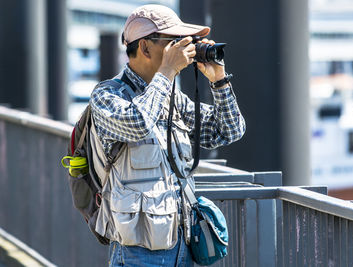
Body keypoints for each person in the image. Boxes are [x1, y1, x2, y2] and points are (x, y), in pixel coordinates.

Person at [89, 4, 245, 267]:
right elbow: (138, 122)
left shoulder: (173, 98)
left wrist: (218, 80)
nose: (184, 48)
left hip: (185, 247)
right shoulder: (107, 96)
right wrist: (167, 72)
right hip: (137, 253)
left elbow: (228, 131)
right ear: (145, 48)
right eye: (174, 41)